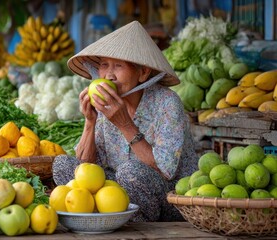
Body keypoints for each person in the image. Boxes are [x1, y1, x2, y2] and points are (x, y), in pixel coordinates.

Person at [52, 21, 198, 222]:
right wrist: (90, 121)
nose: (108, 75)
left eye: (118, 66)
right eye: (104, 65)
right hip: (117, 196)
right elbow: (87, 169)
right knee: (64, 165)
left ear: (143, 72)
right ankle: (100, 221)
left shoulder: (167, 103)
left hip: (169, 198)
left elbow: (164, 171)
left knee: (130, 172)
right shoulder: (106, 104)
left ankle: (129, 225)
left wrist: (125, 124)